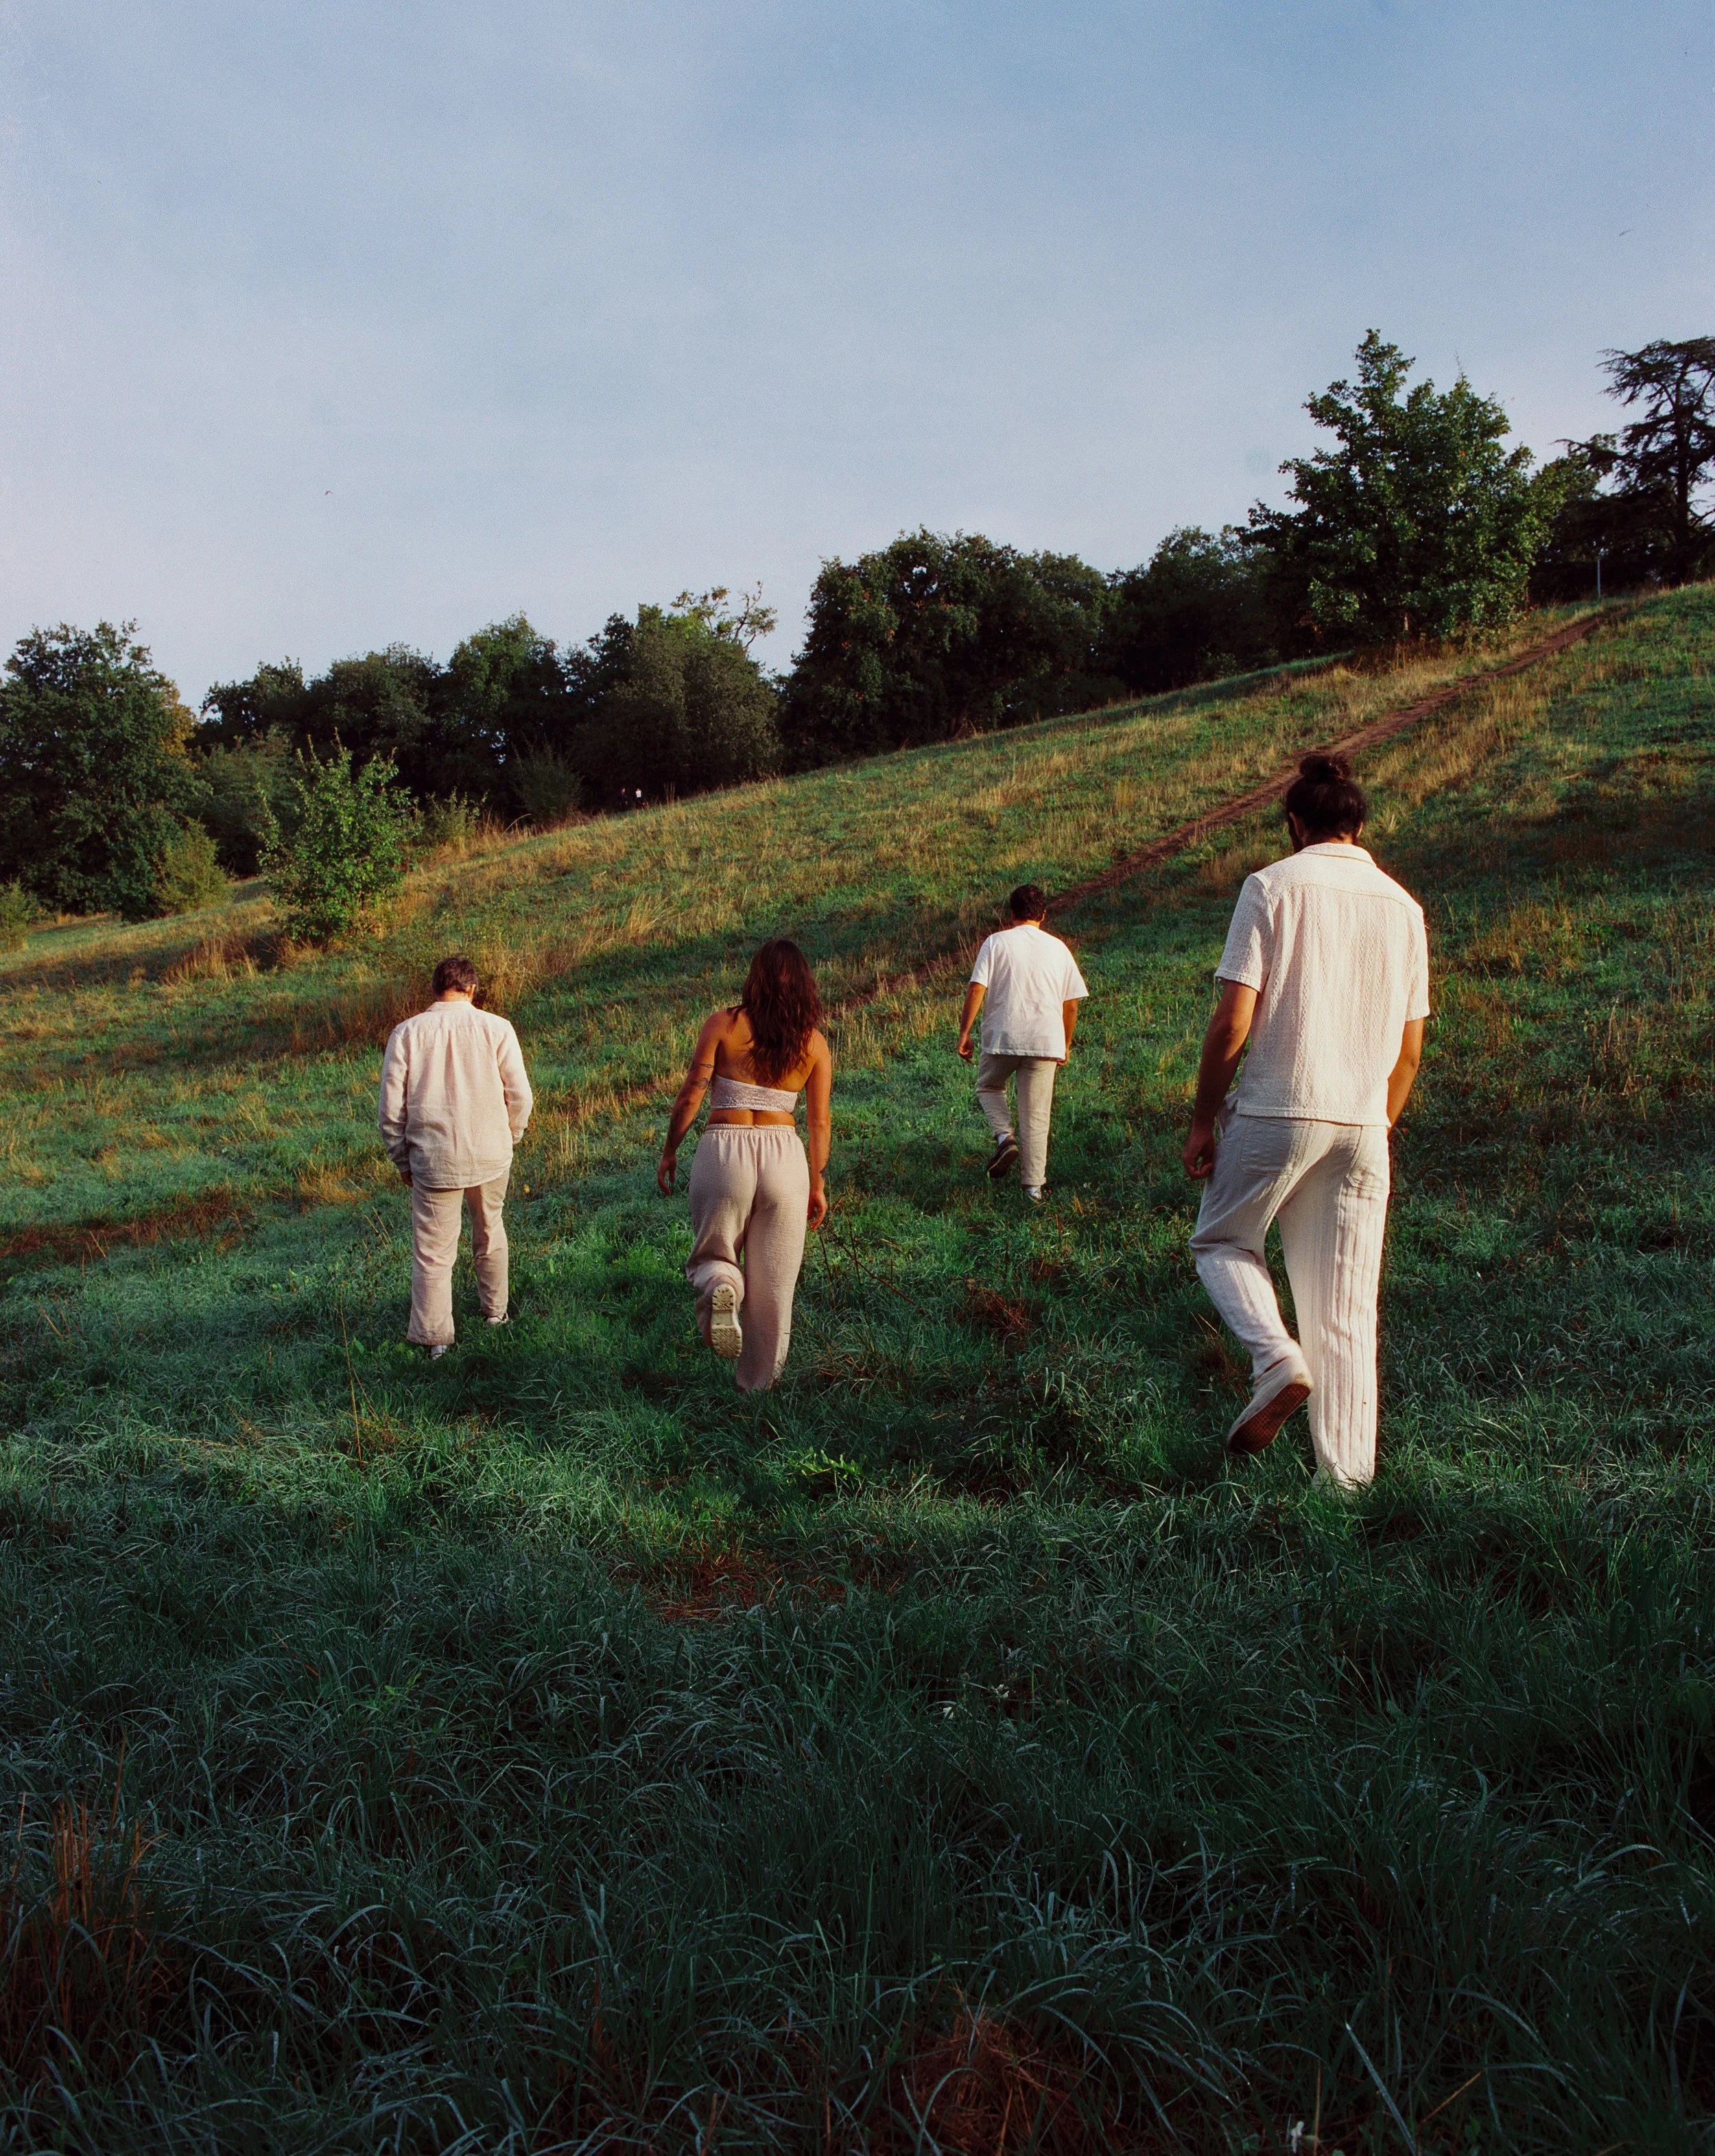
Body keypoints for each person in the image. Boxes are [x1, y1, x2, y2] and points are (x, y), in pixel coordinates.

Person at [1182, 753, 1428, 1486]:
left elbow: (1232, 1023)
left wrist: (1201, 1120)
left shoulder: (1271, 886)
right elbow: (1410, 1050)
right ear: (1358, 823)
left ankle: (1273, 1357)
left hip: (1276, 1109)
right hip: (1362, 1124)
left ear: (1295, 823)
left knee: (1223, 1239)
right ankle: (1346, 1487)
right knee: (1346, 1310)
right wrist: (1374, 1125)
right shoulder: (1402, 906)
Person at [657, 939, 832, 1391]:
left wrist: (670, 1148)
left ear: (755, 977)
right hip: (785, 1158)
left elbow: (691, 1094)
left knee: (714, 1252)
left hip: (724, 1150)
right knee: (776, 1283)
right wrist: (817, 1181)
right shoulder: (814, 1043)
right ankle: (756, 1390)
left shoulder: (723, 1024)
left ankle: (721, 1284)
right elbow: (819, 1120)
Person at [378, 954, 534, 1360]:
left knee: (433, 1250)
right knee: (490, 1230)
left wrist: (402, 1160)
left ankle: (436, 1340)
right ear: (472, 989)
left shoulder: (407, 1034)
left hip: (433, 1158)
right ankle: (495, 1315)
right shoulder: (497, 1028)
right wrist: (510, 1137)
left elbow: (391, 1112)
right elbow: (520, 1095)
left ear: (434, 989)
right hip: (491, 1152)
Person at [956, 884, 1088, 1203]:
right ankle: (1033, 1190)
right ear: (1042, 915)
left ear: (1010, 913)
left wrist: (965, 1032)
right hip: (1046, 1040)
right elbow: (1071, 1004)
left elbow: (977, 988)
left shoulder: (996, 942)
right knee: (1037, 1114)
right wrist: (1066, 1043)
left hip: (1003, 1037)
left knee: (989, 1086)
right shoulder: (1059, 948)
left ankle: (1004, 1137)